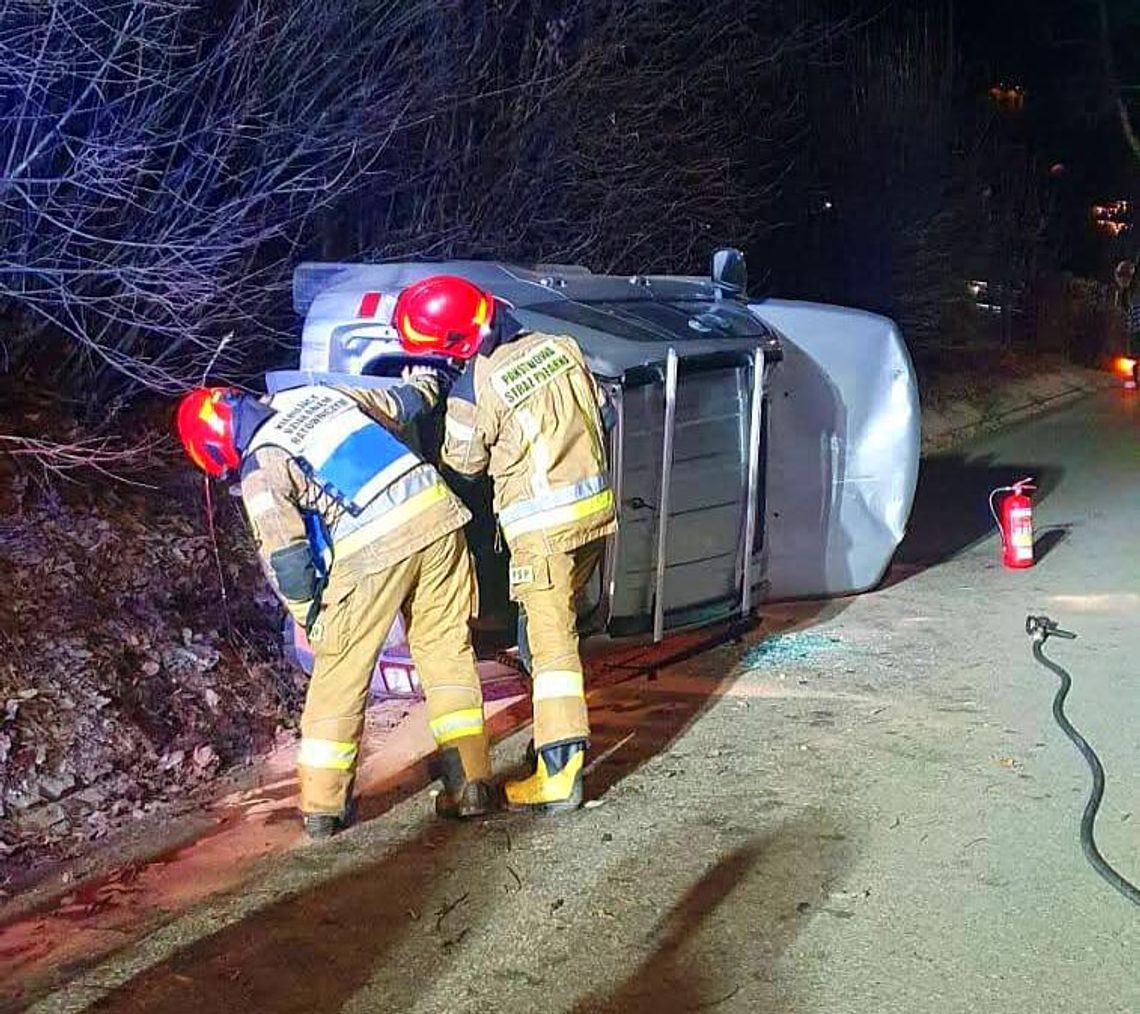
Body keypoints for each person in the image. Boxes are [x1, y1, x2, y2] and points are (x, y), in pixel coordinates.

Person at [174, 374, 495, 839]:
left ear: (214, 446)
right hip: (439, 513)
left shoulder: (263, 464)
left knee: (339, 672)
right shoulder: (313, 394)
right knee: (446, 652)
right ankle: (472, 783)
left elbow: (286, 557)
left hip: (372, 543)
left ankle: (324, 807)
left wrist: (311, 616)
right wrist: (426, 382)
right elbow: (402, 402)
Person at [394, 275, 617, 814]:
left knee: (551, 647)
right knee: (554, 631)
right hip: (594, 515)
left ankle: (561, 775)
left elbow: (463, 465)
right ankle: (557, 752)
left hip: (541, 531)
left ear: (455, 346)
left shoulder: (478, 384)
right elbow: (604, 414)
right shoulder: (560, 347)